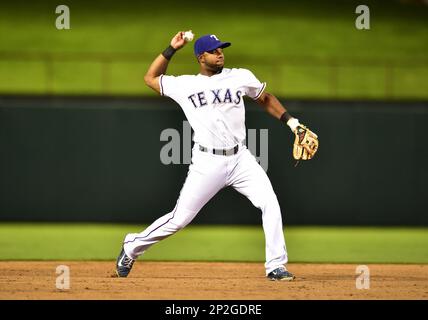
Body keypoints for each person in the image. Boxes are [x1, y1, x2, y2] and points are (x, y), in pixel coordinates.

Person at [116, 31, 311, 281]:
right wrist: (171, 48)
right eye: (214, 50)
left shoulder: (240, 76)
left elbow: (265, 98)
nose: (220, 53)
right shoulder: (185, 84)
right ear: (201, 57)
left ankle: (275, 266)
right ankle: (132, 246)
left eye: (221, 49)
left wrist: (292, 123)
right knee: (179, 219)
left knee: (270, 203)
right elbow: (150, 78)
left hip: (241, 159)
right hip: (207, 162)